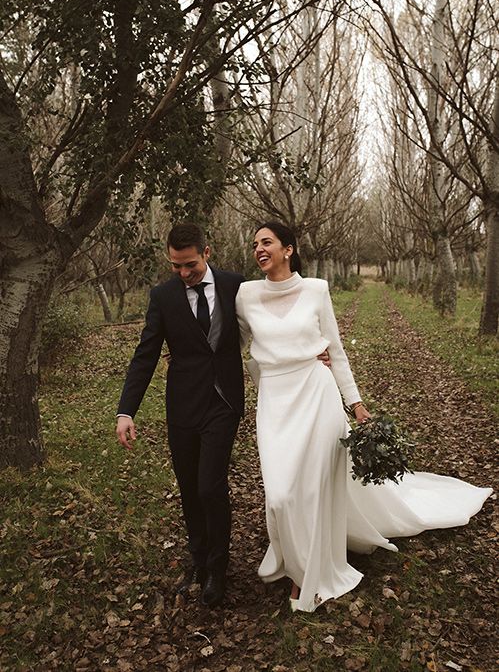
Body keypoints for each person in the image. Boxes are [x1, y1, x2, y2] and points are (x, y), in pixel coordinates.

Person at [235, 220, 493, 613]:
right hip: (275, 401)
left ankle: (306, 573)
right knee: (280, 495)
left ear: (289, 249)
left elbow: (335, 351)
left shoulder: (317, 290)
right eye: (255, 244)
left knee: (314, 488)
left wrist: (354, 403)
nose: (259, 249)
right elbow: (229, 344)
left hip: (317, 395)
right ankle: (293, 553)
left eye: (267, 242)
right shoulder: (245, 295)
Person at [116, 222, 245, 608]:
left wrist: (312, 351)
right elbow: (146, 353)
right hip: (183, 406)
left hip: (224, 402)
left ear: (207, 252)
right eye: (176, 266)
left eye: (189, 264)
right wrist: (126, 410)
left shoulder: (235, 285)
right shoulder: (163, 297)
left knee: (210, 486)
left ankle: (218, 571)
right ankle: (200, 562)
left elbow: (276, 317)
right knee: (190, 490)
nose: (184, 273)